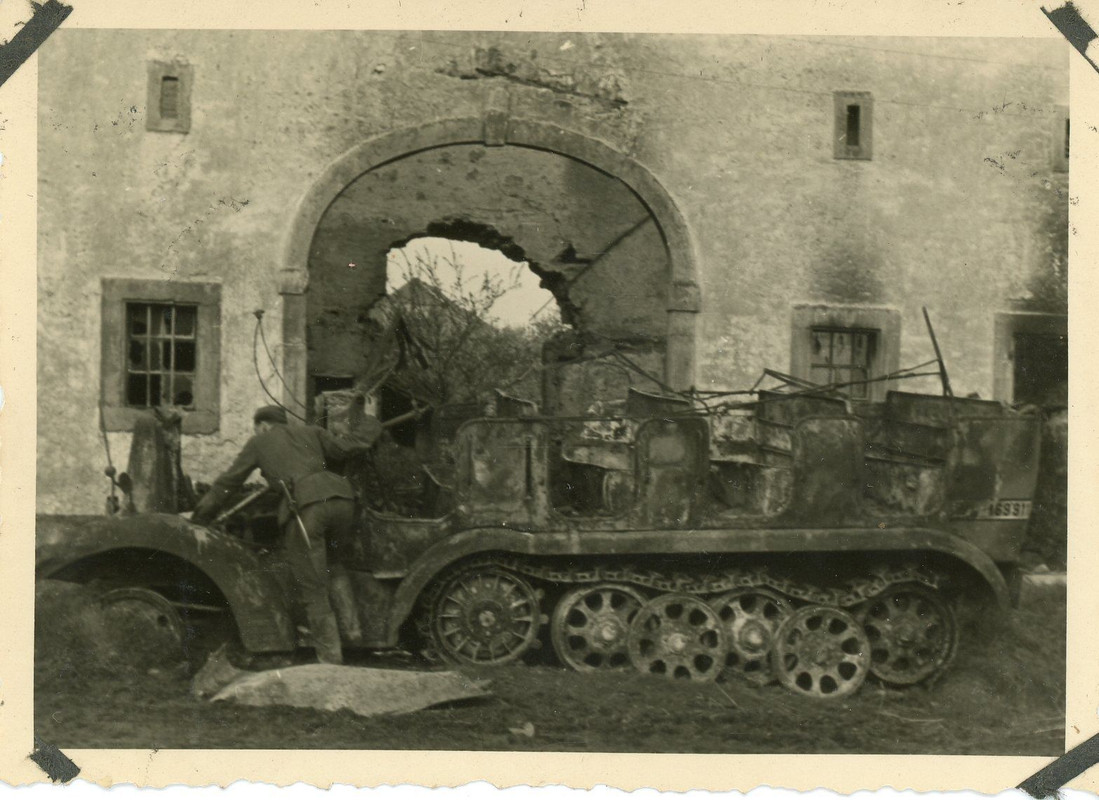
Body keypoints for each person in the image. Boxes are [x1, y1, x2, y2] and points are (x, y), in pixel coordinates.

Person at [191, 404, 379, 665]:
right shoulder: (312, 432)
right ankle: (354, 635)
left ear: (263, 426)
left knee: (312, 584)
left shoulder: (259, 442)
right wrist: (370, 422)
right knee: (334, 566)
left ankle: (331, 661)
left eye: (256, 428)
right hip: (342, 501)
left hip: (306, 508)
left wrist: (201, 517)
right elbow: (347, 447)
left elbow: (228, 483)